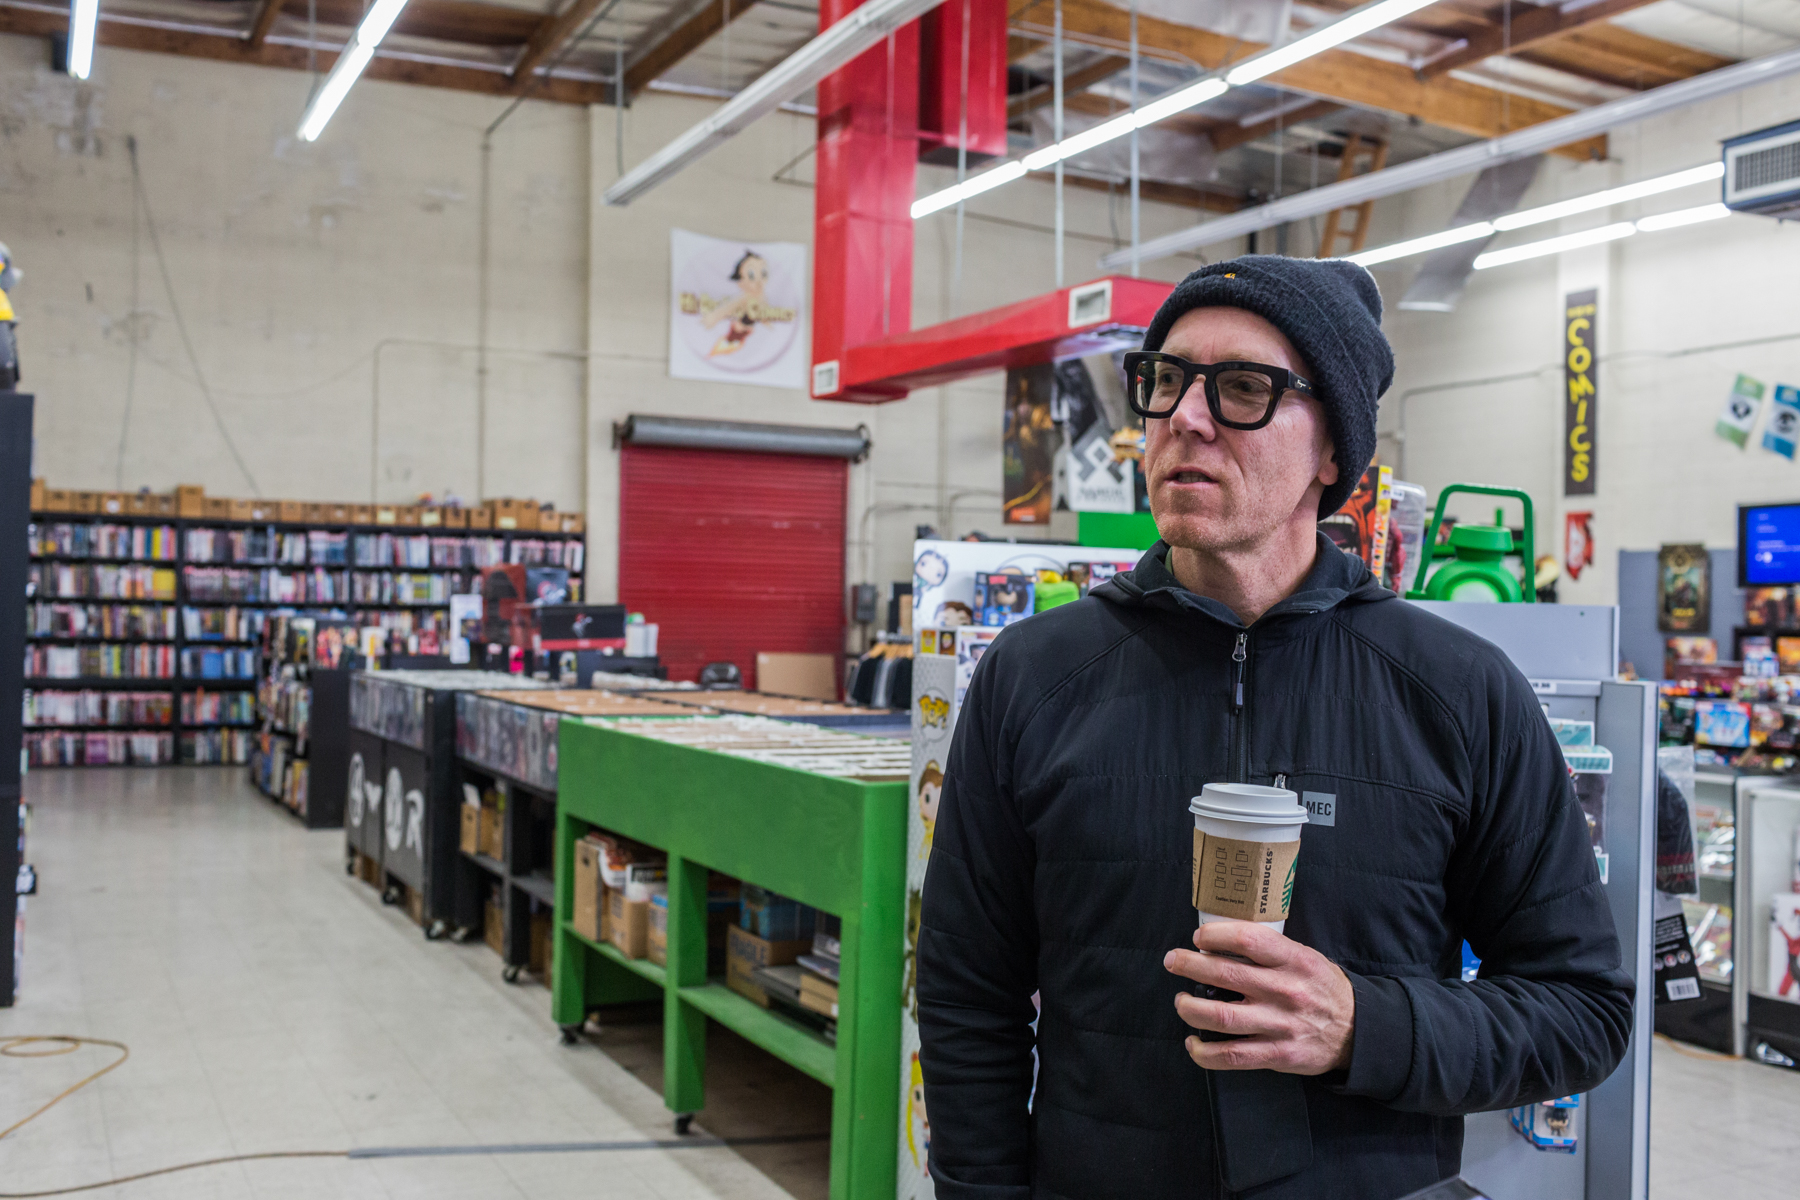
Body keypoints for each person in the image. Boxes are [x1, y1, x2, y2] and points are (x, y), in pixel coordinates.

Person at [916, 255, 1633, 1199]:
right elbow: (970, 995)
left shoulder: (1459, 694)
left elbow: (1582, 1011)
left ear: (1334, 452)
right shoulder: (1035, 677)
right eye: (1165, 380)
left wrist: (1362, 1027)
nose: (1185, 417)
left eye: (1244, 389)